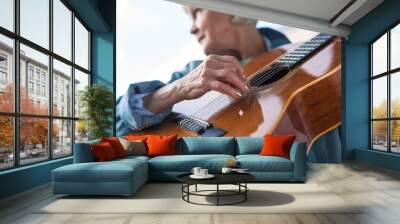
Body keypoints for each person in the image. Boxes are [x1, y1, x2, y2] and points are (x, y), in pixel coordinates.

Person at [116, 8, 290, 136]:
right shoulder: (193, 73)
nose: (192, 28)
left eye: (197, 11)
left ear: (233, 7)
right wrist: (178, 89)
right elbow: (113, 126)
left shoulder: (312, 62)